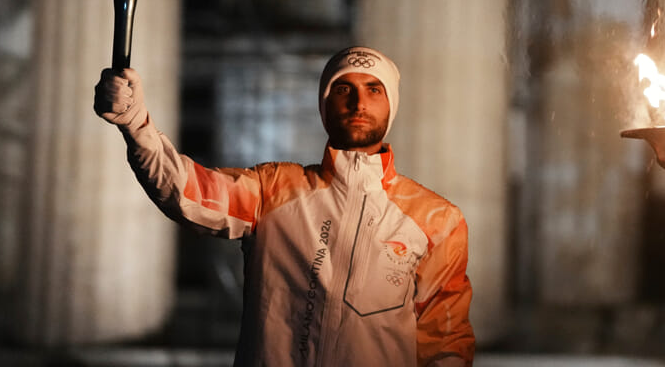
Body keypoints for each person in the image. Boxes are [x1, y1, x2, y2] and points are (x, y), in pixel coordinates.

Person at [94, 46, 475, 367]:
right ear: (325, 106)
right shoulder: (273, 189)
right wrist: (136, 125)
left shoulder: (437, 219)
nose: (359, 102)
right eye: (344, 88)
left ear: (391, 105)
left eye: (374, 90)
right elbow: (188, 192)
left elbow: (446, 343)